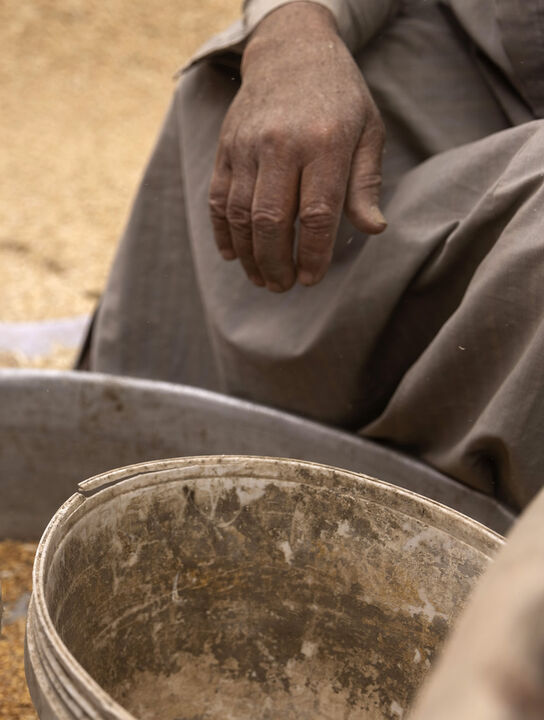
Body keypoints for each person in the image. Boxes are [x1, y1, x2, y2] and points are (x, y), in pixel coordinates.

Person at [81, 2, 544, 716]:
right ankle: (137, 497)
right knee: (263, 109)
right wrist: (294, 29)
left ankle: (455, 558)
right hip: (502, 71)